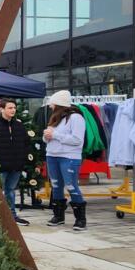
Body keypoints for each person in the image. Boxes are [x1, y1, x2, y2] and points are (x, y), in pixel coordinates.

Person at [43, 90, 87, 230]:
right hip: (52, 155)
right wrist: (47, 136)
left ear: (59, 104)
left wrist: (54, 134)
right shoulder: (56, 119)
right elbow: (48, 138)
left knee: (71, 185)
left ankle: (80, 219)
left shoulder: (76, 118)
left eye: (52, 104)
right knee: (56, 186)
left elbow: (77, 140)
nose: (50, 107)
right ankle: (58, 216)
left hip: (69, 157)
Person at [0, 98, 30, 226]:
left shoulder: (19, 126)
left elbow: (25, 143)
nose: (13, 110)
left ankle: (12, 216)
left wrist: (22, 159)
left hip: (16, 166)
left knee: (11, 190)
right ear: (2, 109)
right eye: (10, 108)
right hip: (1, 166)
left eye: (14, 108)